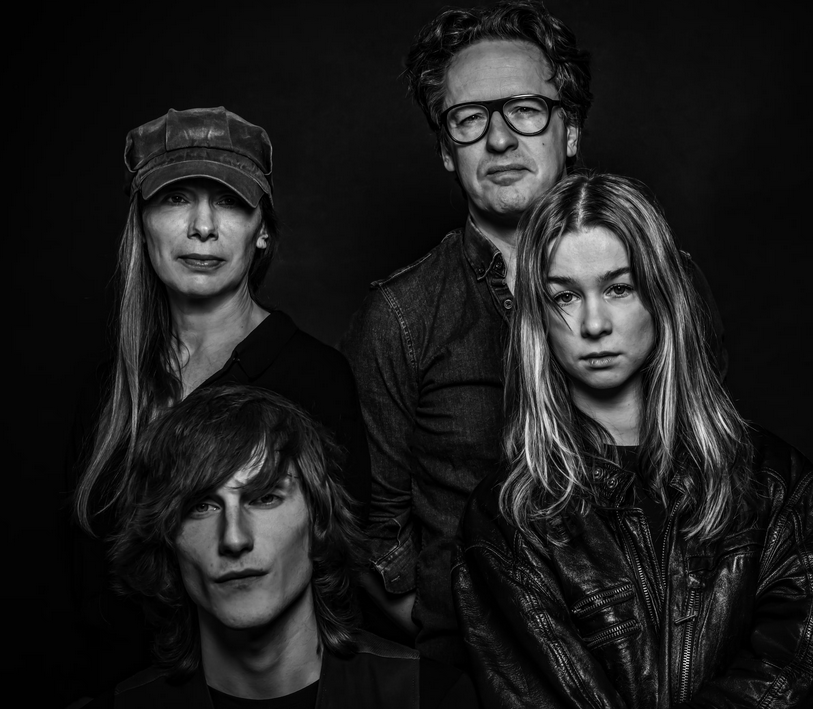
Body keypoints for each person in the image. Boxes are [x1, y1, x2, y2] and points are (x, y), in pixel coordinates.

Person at [341, 0, 726, 667]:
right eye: (469, 118)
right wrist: (470, 641)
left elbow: (711, 469)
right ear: (445, 149)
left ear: (569, 129)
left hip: (658, 668)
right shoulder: (401, 316)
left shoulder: (668, 282)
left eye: (525, 109)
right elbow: (376, 532)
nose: (499, 140)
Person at [452, 173, 813, 708]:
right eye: (564, 296)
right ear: (538, 319)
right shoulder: (508, 518)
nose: (594, 323)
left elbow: (792, 672)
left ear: (661, 294)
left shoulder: (780, 487)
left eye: (619, 288)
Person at [64, 106, 369, 698]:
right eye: (175, 198)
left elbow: (345, 573)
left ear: (262, 229)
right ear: (142, 224)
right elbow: (79, 590)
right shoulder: (107, 392)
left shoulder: (314, 378)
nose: (202, 227)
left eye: (229, 201)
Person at [83, 384, 476, 708]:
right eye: (201, 506)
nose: (234, 539)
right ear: (166, 537)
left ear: (318, 519)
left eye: (265, 498)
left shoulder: (431, 698)